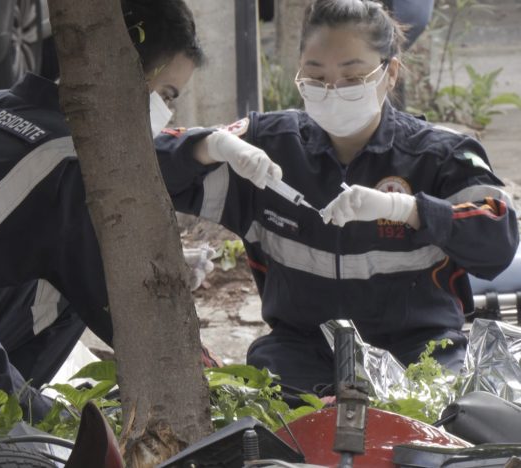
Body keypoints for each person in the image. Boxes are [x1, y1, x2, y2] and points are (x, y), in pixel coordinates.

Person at [155, 0, 518, 395]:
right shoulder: (268, 146)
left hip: (420, 355)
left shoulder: (439, 155)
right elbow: (144, 170)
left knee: (435, 435)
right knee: (276, 435)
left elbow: (498, 238)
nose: (332, 91)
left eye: (352, 77)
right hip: (300, 355)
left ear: (390, 73)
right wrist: (211, 146)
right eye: (316, 77)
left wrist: (409, 210)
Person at [0, 0, 204, 448]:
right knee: (61, 439)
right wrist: (208, 378)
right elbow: (132, 313)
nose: (166, 112)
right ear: (119, 69)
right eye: (166, 95)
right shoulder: (73, 162)